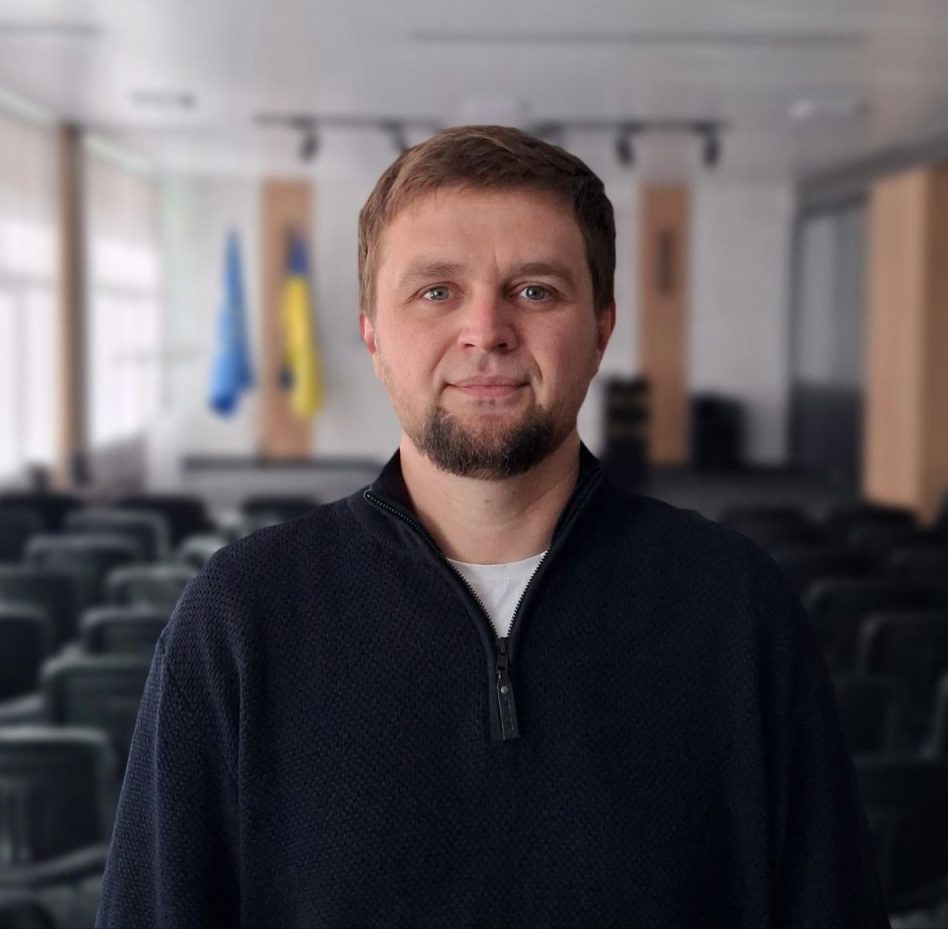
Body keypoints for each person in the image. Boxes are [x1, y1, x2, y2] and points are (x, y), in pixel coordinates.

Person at [96, 125, 889, 928]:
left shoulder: (736, 607)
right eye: (436, 291)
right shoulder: (238, 618)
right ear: (372, 334)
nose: (487, 330)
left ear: (602, 328)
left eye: (535, 291)